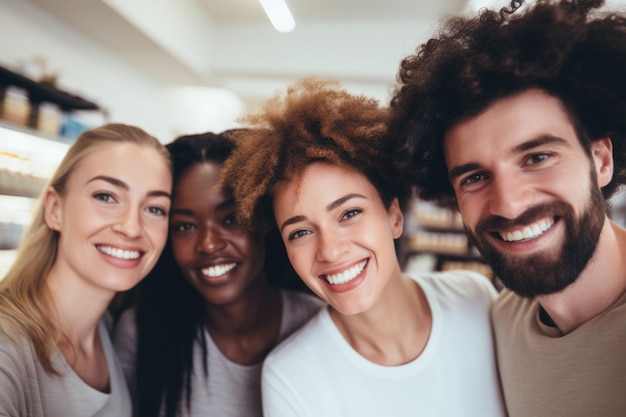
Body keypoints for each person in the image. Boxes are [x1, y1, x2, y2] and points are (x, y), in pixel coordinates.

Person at [387, 0, 626, 415]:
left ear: (601, 160)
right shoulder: (501, 322)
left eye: (536, 158)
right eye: (474, 177)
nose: (509, 204)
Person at [220, 77, 505, 417]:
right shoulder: (291, 376)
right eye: (300, 232)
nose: (330, 250)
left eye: (350, 213)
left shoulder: (475, 298)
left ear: (394, 216)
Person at [113, 131, 324, 417]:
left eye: (231, 219)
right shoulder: (140, 331)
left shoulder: (320, 326)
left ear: (264, 220)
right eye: (185, 226)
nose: (209, 244)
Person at [0, 123, 172, 416]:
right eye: (106, 197)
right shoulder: (8, 346)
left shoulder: (109, 330)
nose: (131, 227)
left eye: (154, 208)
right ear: (55, 209)